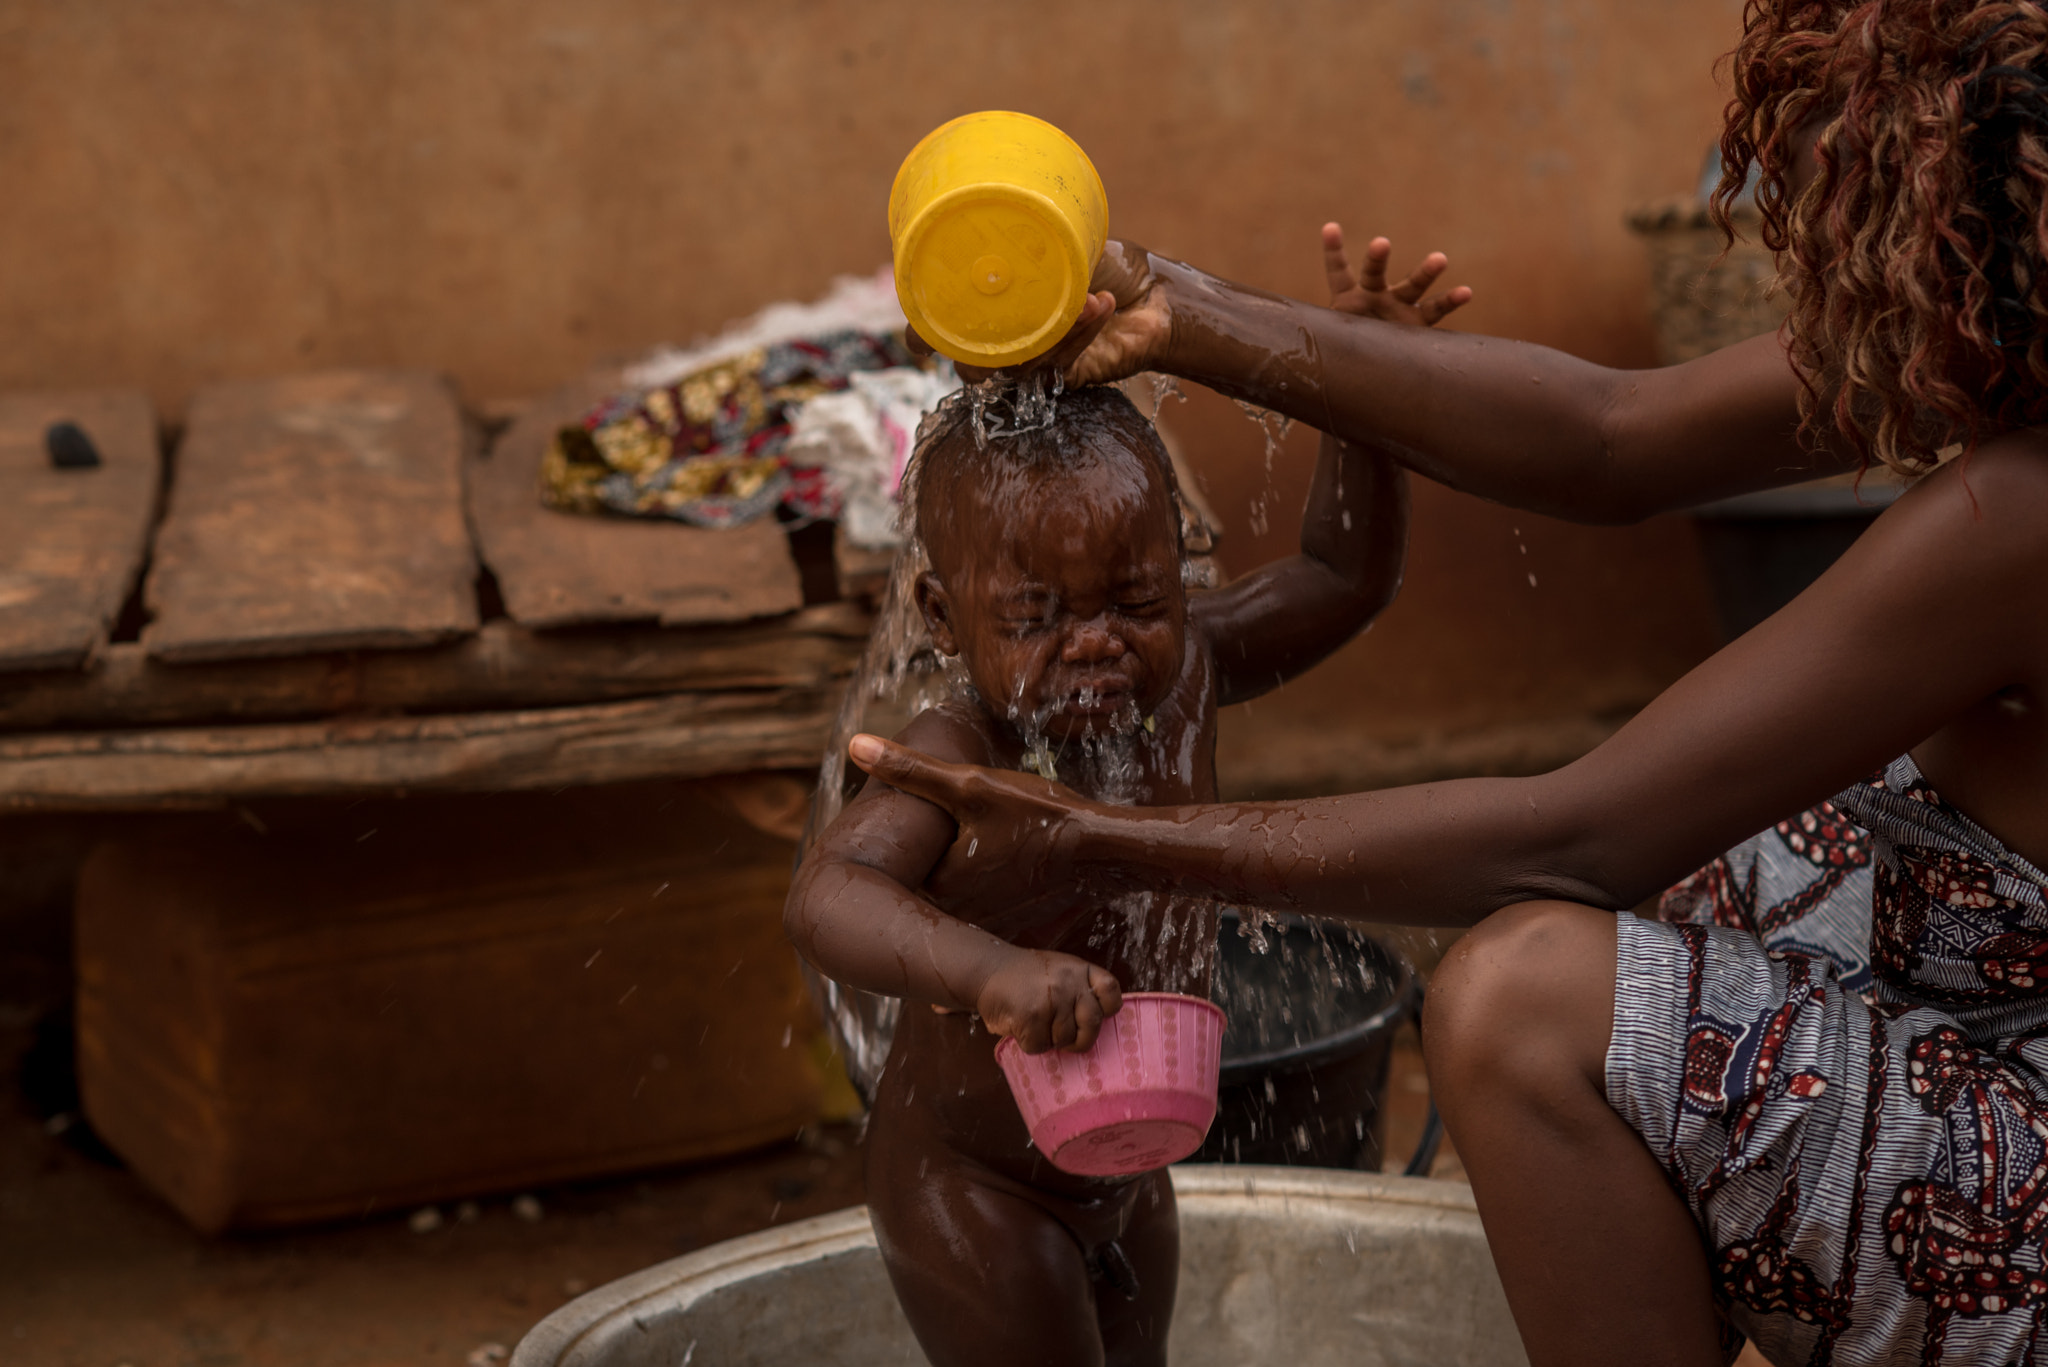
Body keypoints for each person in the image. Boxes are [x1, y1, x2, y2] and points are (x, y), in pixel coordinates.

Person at [855, 3, 2048, 1364]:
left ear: (1957, 248)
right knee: (1745, 870)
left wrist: (1097, 837)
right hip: (1976, 1010)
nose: (1817, 283)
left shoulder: (2020, 519)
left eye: (1845, 231)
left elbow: (1576, 832)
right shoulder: (1997, 349)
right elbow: (1612, 438)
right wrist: (1171, 305)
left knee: (1523, 993)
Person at [783, 232, 1439, 1367]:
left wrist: (1360, 394)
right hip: (973, 1182)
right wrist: (990, 972)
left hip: (1127, 1154)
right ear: (942, 618)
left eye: (1135, 598)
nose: (1097, 645)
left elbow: (1344, 579)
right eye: (1036, 617)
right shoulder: (955, 748)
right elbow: (828, 893)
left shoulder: (1184, 670)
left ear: (1178, 568)